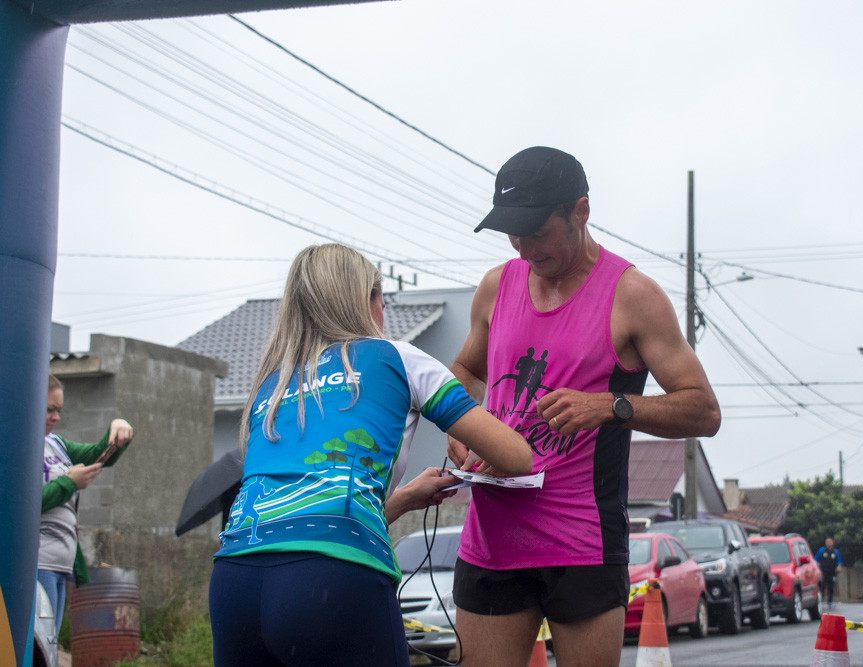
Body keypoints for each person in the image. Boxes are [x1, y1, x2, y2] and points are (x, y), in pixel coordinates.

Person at [446, 146, 721, 667]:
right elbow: (464, 371)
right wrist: (459, 425)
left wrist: (611, 406)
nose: (525, 247)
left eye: (538, 231)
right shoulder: (495, 287)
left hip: (582, 541)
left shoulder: (632, 294)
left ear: (580, 211)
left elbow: (703, 410)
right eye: (513, 232)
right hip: (491, 537)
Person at [209, 243, 532, 667]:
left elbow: (302, 515)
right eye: (382, 298)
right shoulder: (396, 356)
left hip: (235, 584)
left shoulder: (270, 387)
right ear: (367, 301)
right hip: (332, 581)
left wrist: (405, 498)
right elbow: (517, 457)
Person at [40, 373, 134, 631]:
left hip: (62, 562)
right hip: (37, 561)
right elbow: (23, 503)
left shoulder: (56, 444)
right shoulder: (15, 446)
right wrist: (70, 482)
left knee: (49, 643)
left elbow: (99, 456)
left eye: (58, 410)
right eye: (50, 410)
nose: (56, 417)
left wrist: (118, 430)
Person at [816, 537, 843, 606]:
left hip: (832, 572)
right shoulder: (821, 550)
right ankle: (820, 601)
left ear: (833, 542)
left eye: (830, 541)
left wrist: (839, 566)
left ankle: (830, 601)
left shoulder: (835, 552)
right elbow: (816, 560)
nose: (829, 543)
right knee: (822, 586)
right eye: (827, 541)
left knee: (831, 586)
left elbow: (839, 561)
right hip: (823, 572)